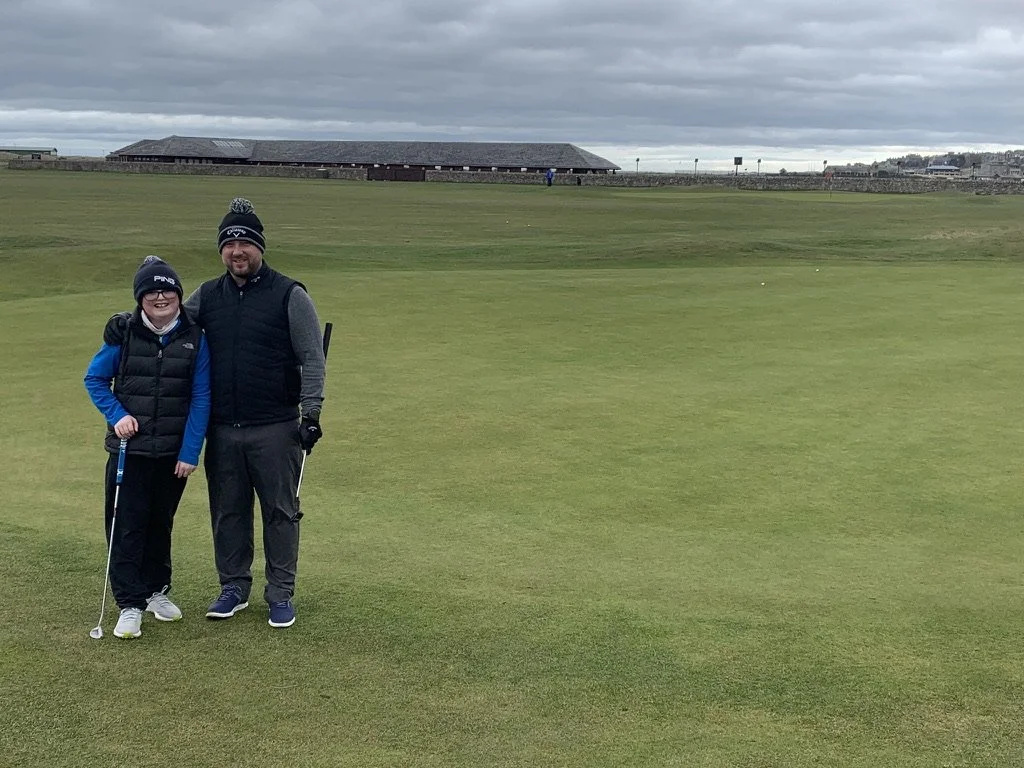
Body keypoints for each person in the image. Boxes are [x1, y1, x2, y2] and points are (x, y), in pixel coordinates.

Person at [183, 197, 326, 629]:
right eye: (229, 244)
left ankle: (280, 593)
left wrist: (311, 413)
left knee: (281, 512)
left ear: (259, 247)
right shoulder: (207, 295)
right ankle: (233, 586)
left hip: (276, 427)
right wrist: (127, 321)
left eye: (245, 243)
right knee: (228, 511)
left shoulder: (289, 294)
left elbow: (312, 357)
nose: (237, 252)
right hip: (222, 427)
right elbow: (169, 325)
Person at [85, 256, 211, 639]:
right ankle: (130, 604)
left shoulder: (195, 337)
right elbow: (94, 379)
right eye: (151, 291)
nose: (160, 297)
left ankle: (156, 591)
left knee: (160, 523)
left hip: (172, 454)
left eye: (167, 290)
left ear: (178, 296)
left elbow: (201, 397)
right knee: (127, 526)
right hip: (130, 450)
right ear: (140, 298)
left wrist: (190, 452)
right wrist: (117, 414)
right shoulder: (123, 334)